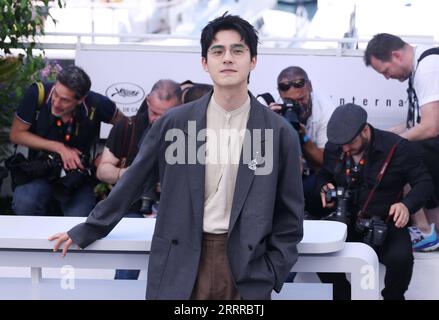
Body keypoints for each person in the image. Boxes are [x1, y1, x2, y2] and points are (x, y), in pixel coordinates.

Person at [49, 13, 304, 300]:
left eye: (238, 50)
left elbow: (290, 215)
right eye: (217, 51)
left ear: (253, 60)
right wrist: (88, 229)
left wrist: (272, 270)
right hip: (180, 260)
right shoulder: (175, 124)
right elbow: (133, 181)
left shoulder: (277, 132)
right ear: (204, 63)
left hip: (247, 270)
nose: (228, 58)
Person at [317, 103, 433, 300]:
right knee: (320, 252)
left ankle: (393, 297)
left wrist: (406, 205)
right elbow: (323, 175)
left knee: (401, 260)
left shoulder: (397, 148)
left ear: (365, 130)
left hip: (385, 222)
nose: (344, 149)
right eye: (340, 144)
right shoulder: (335, 147)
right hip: (345, 221)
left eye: (350, 142)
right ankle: (343, 294)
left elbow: (424, 183)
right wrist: (324, 186)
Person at [9, 65, 124, 217]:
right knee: (25, 202)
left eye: (65, 100)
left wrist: (107, 156)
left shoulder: (96, 103)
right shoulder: (38, 93)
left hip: (77, 178)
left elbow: (127, 128)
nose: (56, 103)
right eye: (56, 94)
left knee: (78, 220)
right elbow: (16, 134)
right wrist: (60, 148)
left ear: (81, 99)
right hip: (39, 171)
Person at [98, 79, 182, 280]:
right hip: (134, 212)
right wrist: (130, 174)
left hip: (176, 217)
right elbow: (103, 170)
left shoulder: (192, 132)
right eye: (154, 113)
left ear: (181, 108)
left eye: (166, 115)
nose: (158, 120)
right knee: (127, 264)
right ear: (146, 102)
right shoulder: (127, 127)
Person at [364, 33, 439, 251]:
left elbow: (432, 126)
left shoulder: (428, 68)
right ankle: (430, 231)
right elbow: (414, 123)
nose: (387, 78)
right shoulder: (421, 67)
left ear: (396, 56)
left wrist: (392, 143)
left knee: (400, 156)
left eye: (385, 71)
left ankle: (425, 232)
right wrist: (376, 135)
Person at [269, 66, 335, 218]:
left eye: (301, 99)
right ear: (280, 94)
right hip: (277, 174)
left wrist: (304, 138)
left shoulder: (326, 110)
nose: (298, 105)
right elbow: (254, 157)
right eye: (290, 101)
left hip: (310, 175)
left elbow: (325, 164)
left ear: (310, 87)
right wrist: (267, 122)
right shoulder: (267, 104)